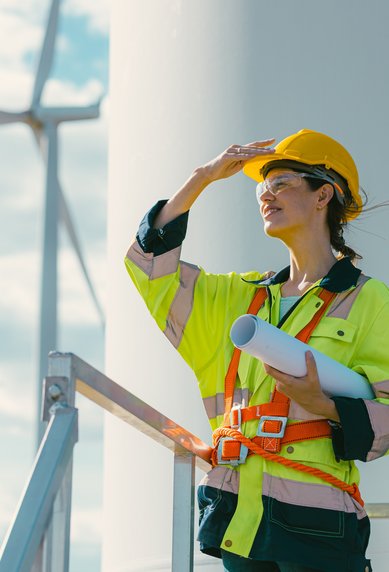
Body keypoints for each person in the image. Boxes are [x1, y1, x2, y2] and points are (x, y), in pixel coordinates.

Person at [124, 129, 389, 571]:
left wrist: (322, 404)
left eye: (281, 183)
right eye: (262, 187)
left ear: (323, 195)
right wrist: (202, 178)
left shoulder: (370, 300)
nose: (265, 195)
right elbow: (149, 266)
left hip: (319, 527)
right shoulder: (236, 297)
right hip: (238, 521)